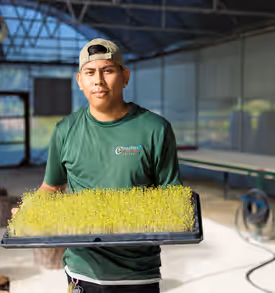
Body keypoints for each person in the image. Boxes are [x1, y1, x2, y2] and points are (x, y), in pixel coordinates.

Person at [12, 38, 182, 293]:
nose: (98, 81)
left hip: (138, 273)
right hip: (82, 270)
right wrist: (32, 209)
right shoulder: (65, 131)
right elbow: (52, 187)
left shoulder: (155, 129)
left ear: (125, 77)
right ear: (80, 81)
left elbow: (172, 198)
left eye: (108, 71)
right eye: (90, 73)